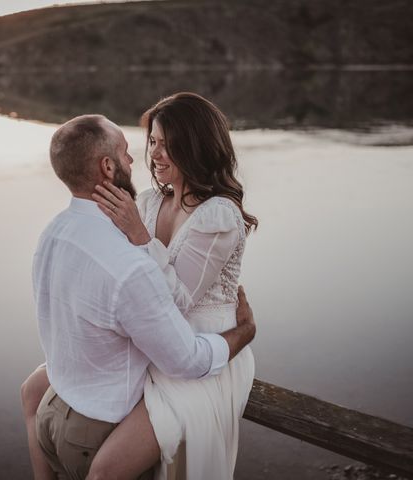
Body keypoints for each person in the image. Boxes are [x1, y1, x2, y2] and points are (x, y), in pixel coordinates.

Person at [25, 111, 256, 480]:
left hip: (205, 344)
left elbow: (177, 302)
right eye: (152, 142)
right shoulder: (147, 202)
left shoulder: (217, 216)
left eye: (167, 144)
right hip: (156, 336)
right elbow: (120, 276)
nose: (153, 154)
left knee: (106, 465)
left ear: (195, 147)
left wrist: (140, 238)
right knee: (34, 387)